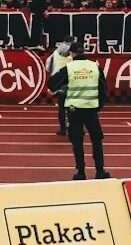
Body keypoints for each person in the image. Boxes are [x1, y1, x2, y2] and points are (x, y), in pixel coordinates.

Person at [48, 44, 111, 180]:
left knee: (77, 142)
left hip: (75, 110)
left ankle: (81, 172)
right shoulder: (95, 67)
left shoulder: (69, 68)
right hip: (92, 110)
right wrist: (97, 106)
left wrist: (65, 88)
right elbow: (104, 90)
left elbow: (52, 83)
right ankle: (100, 171)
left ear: (72, 53)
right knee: (97, 141)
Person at [44, 40, 74, 136]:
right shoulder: (74, 52)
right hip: (72, 81)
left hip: (59, 81)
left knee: (62, 107)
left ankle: (63, 128)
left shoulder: (56, 52)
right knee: (72, 107)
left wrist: (53, 74)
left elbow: (48, 64)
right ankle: (73, 127)